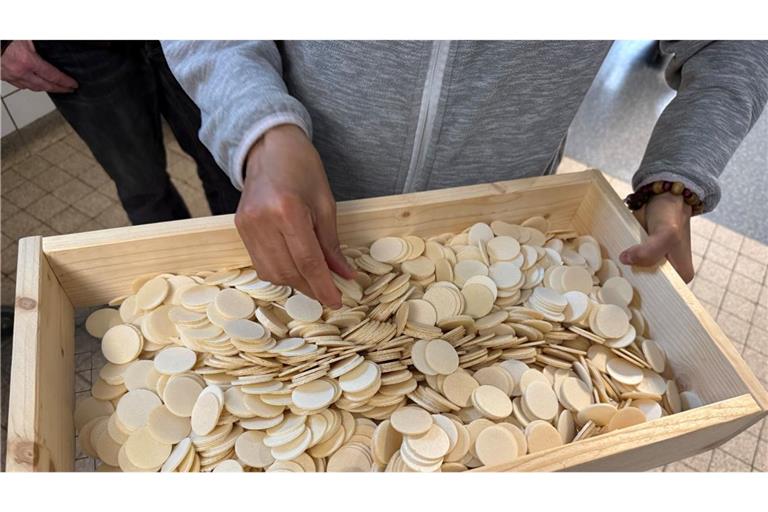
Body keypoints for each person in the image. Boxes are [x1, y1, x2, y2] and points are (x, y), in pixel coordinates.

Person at [161, 41, 768, 307]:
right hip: (306, 203)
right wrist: (261, 128)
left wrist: (677, 177)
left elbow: (732, 40)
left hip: (505, 229)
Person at [0, 40, 241, 224]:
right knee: (143, 187)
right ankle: (177, 283)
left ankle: (246, 273)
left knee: (226, 165)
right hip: (71, 42)